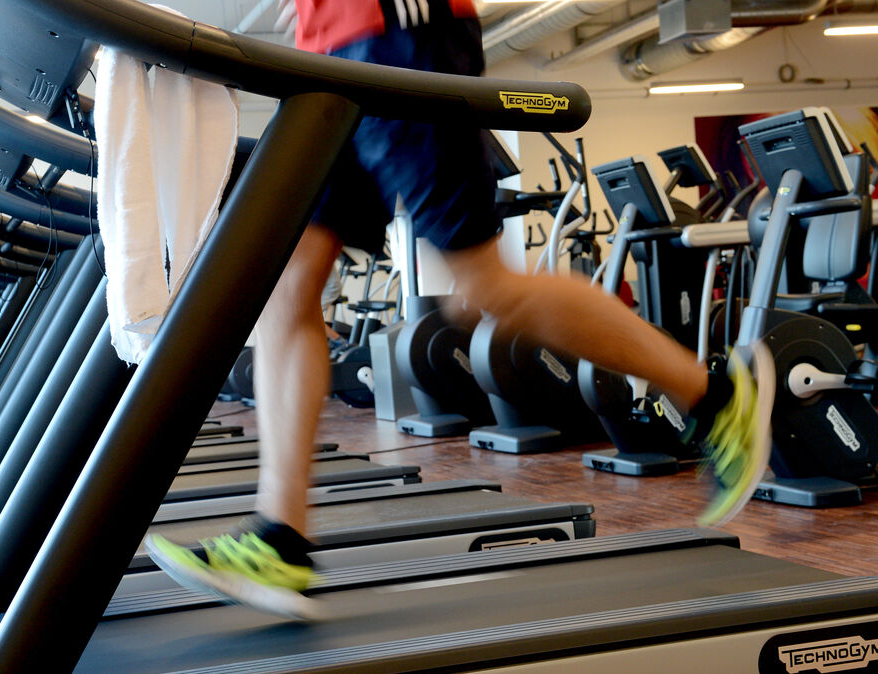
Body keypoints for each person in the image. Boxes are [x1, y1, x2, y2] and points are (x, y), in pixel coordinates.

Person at [147, 0, 773, 620]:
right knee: (291, 279)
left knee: (482, 290)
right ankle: (278, 540)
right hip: (333, 52)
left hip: (398, 35)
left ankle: (715, 398)